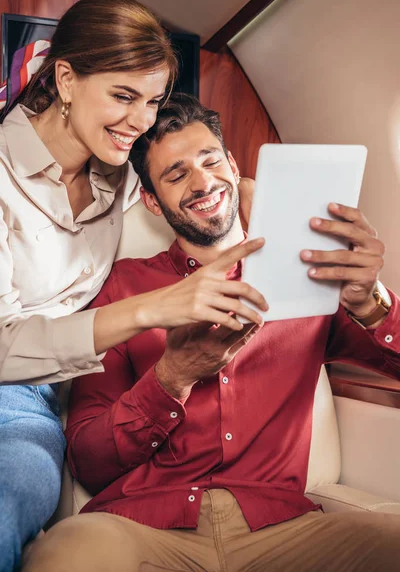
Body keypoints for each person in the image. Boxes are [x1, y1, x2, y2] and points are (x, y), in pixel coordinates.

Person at [23, 93, 400, 572]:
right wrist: (170, 379)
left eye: (210, 161)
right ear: (153, 203)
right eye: (177, 175)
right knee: (67, 556)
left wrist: (372, 303)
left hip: (280, 527)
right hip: (145, 527)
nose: (203, 183)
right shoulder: (122, 288)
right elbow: (87, 460)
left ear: (232, 164)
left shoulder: (311, 274)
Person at [0, 0, 264, 572]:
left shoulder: (118, 167)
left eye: (152, 100)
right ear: (65, 79)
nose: (140, 121)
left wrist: (251, 192)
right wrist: (151, 309)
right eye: (123, 96)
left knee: (11, 495)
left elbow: (191, 176)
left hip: (30, 398)